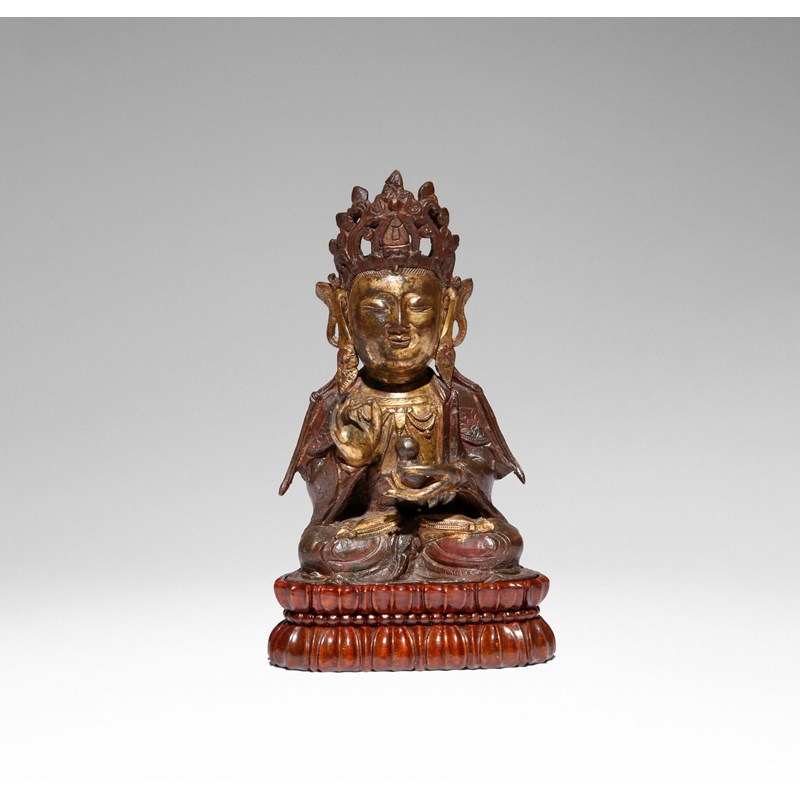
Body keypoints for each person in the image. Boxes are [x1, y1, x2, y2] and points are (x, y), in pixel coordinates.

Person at [279, 171, 526, 583]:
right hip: (371, 530)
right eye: (376, 310)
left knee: (500, 543)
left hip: (440, 528)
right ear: (342, 316)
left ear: (448, 313)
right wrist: (350, 461)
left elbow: (482, 471)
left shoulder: (456, 398)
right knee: (319, 550)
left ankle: (420, 564)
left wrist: (449, 479)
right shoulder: (338, 403)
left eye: (417, 308)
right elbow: (319, 497)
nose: (398, 327)